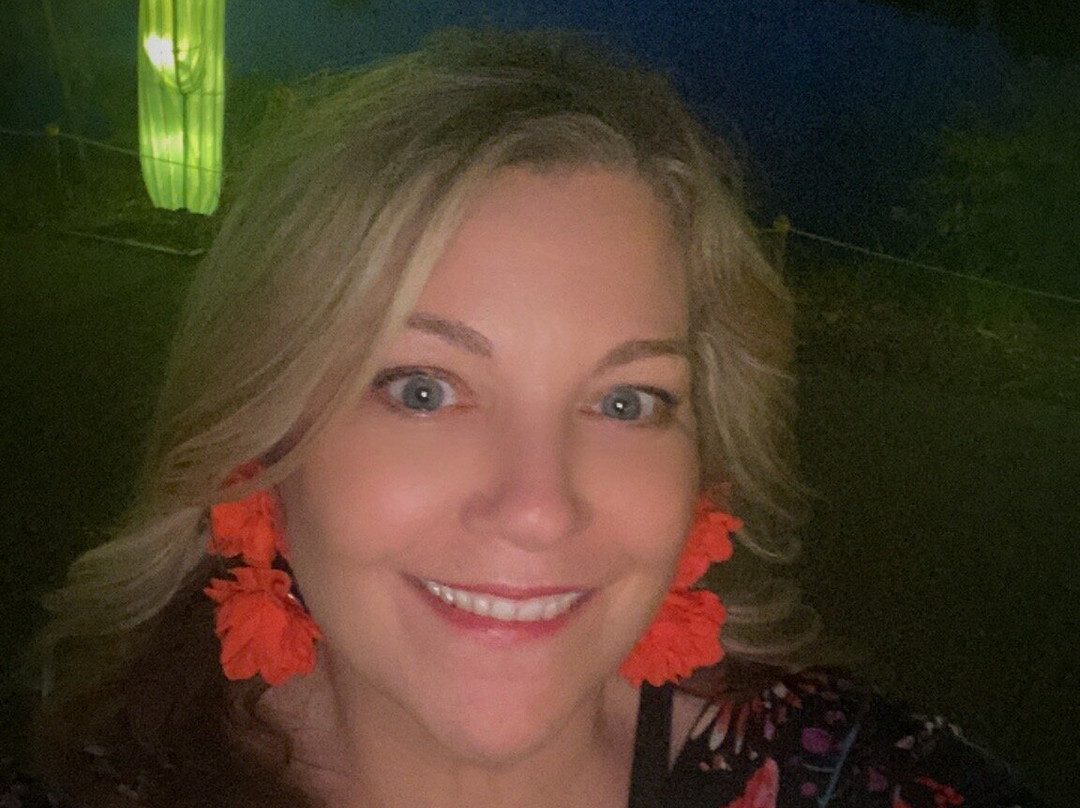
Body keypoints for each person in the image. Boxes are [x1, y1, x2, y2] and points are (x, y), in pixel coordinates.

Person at [14, 29, 1044, 808]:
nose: (540, 507)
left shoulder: (864, 781)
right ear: (259, 439)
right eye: (423, 389)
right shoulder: (97, 779)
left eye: (626, 401)